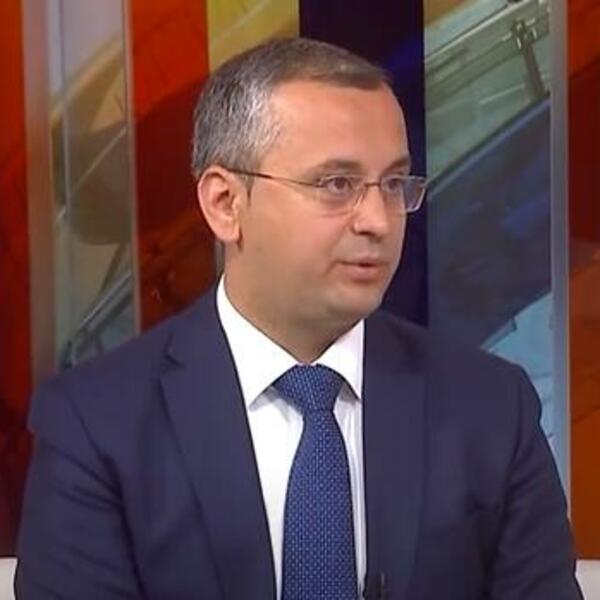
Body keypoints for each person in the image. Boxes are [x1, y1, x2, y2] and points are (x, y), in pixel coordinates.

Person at [16, 37, 581, 600]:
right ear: (225, 204)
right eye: (337, 184)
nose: (379, 221)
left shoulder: (491, 407)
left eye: (393, 184)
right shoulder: (96, 426)